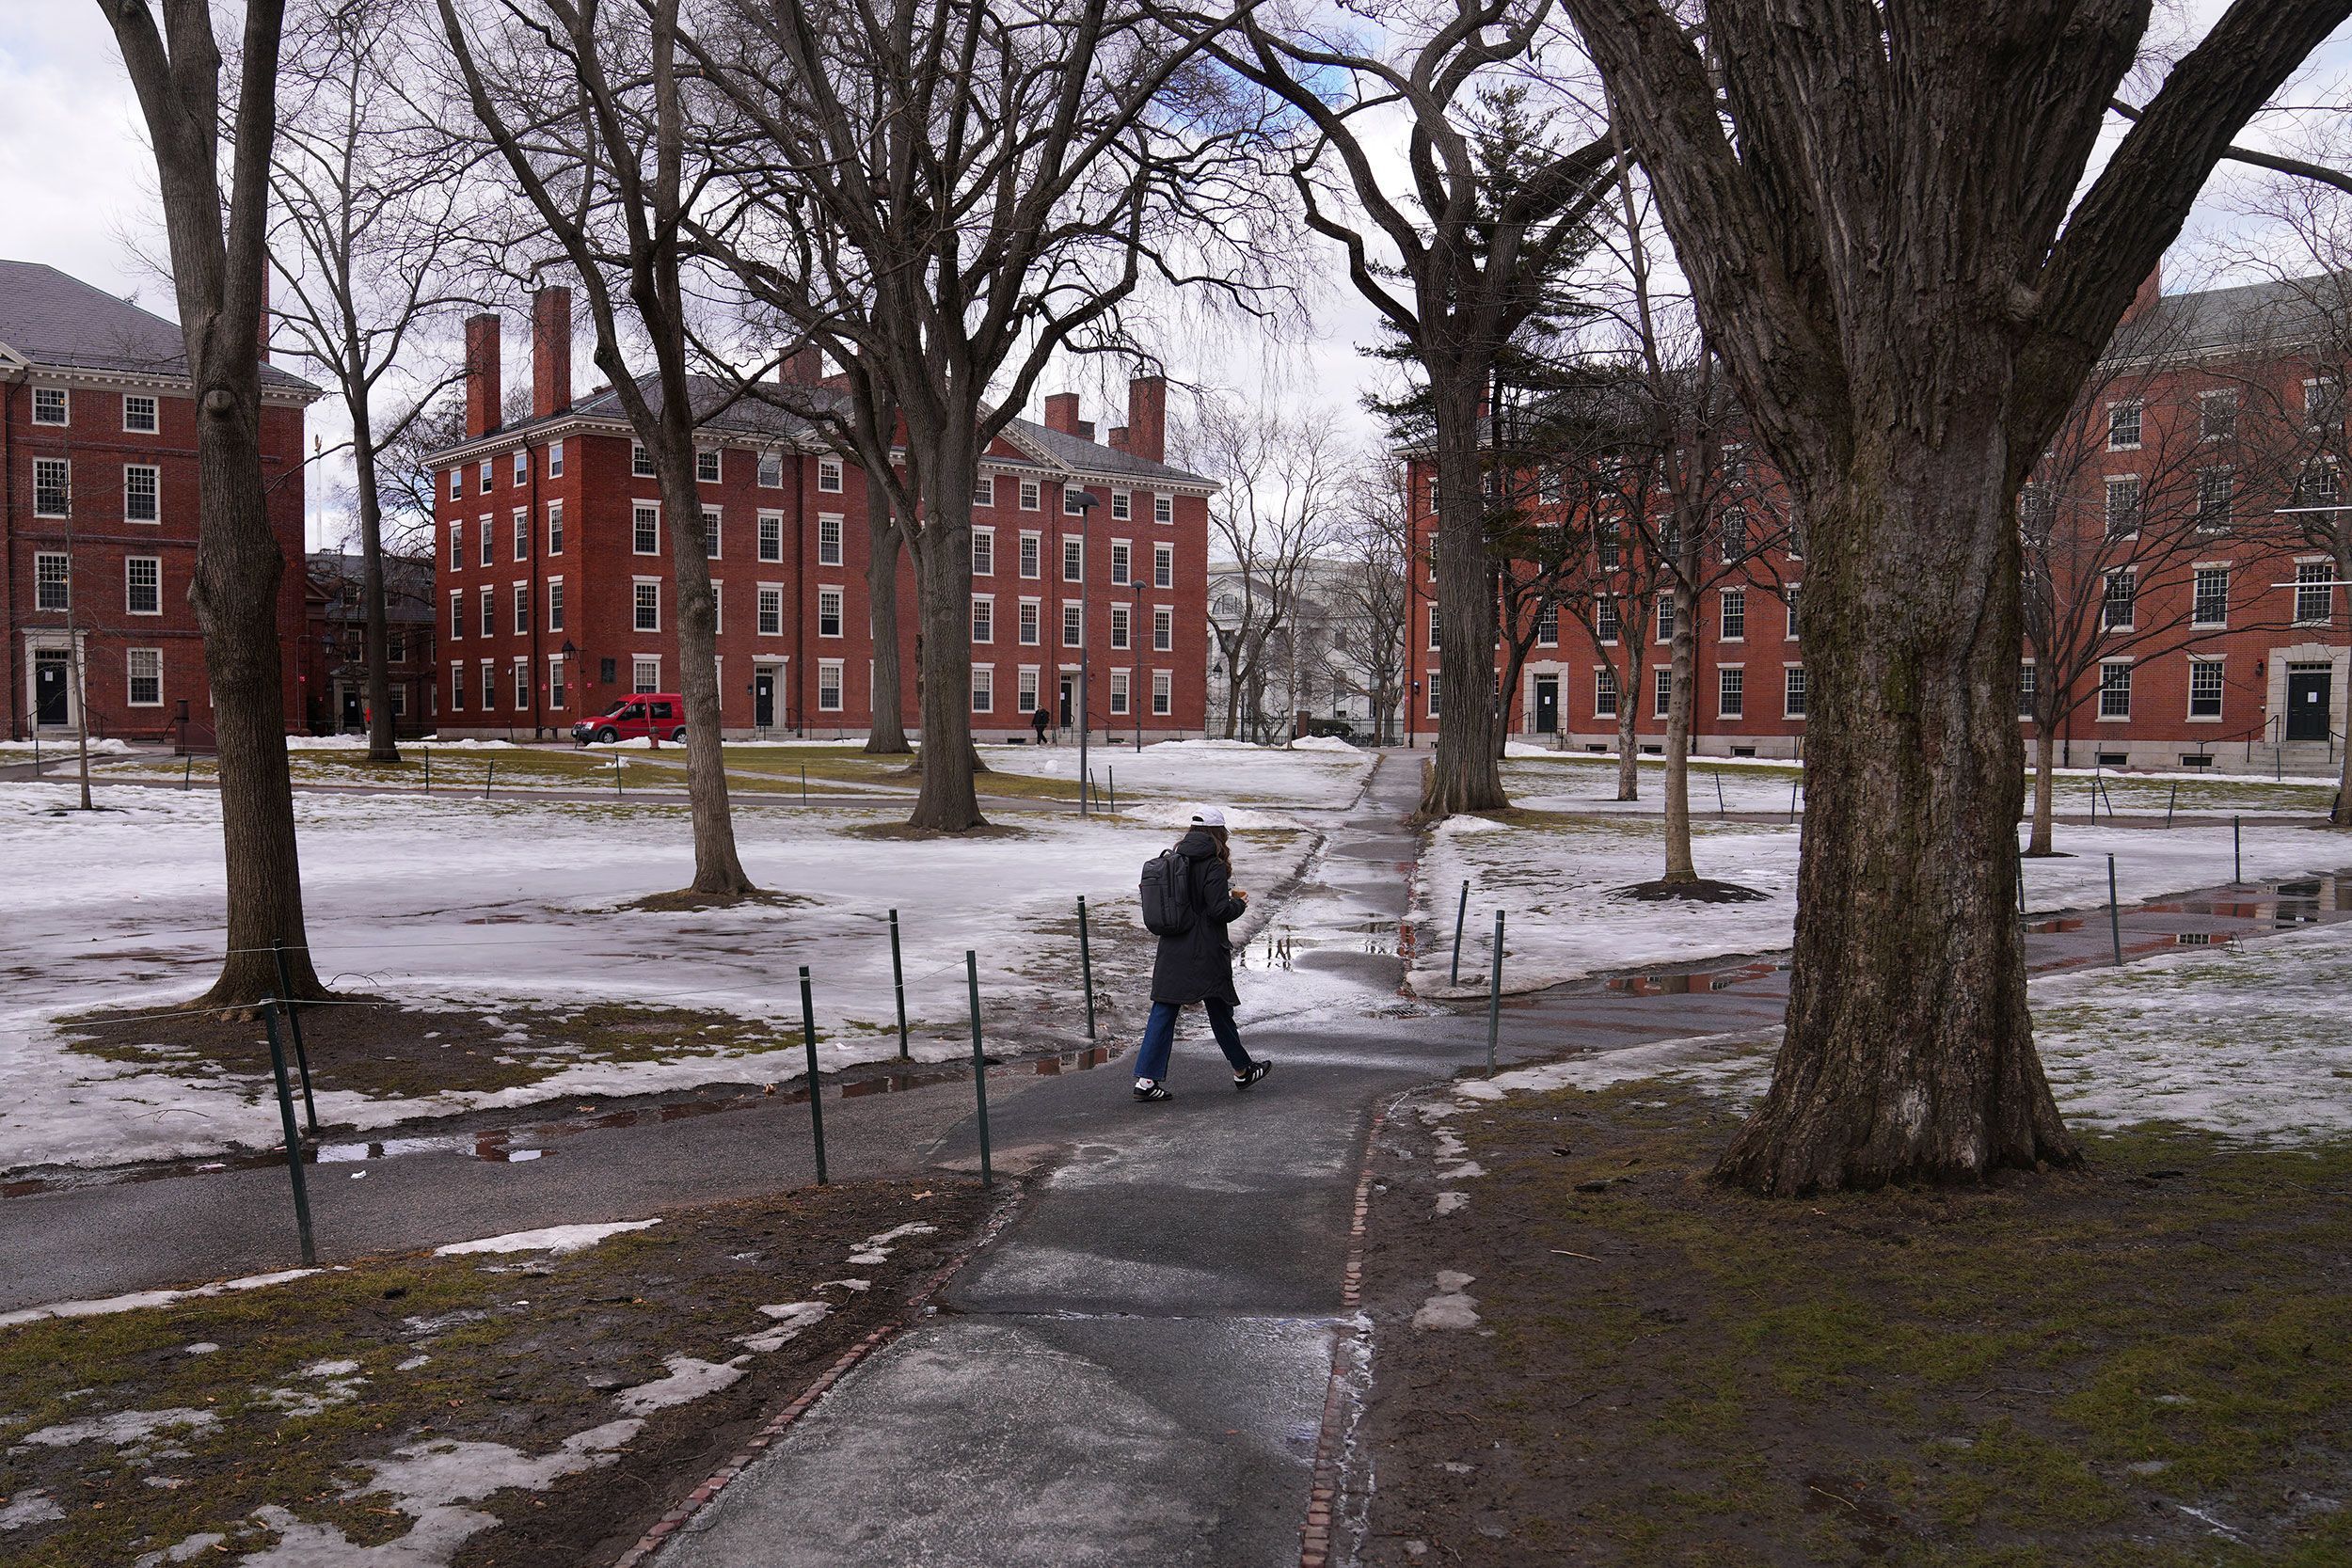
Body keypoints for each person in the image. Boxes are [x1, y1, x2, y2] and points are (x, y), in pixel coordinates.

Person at [1134, 807, 1271, 1101]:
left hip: (1173, 947)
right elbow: (1218, 910)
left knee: (1164, 1010)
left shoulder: (1175, 858)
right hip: (1206, 949)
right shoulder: (1212, 865)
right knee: (1220, 1010)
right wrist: (1240, 903)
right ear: (1219, 833)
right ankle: (1242, 1070)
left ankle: (1146, 1081)